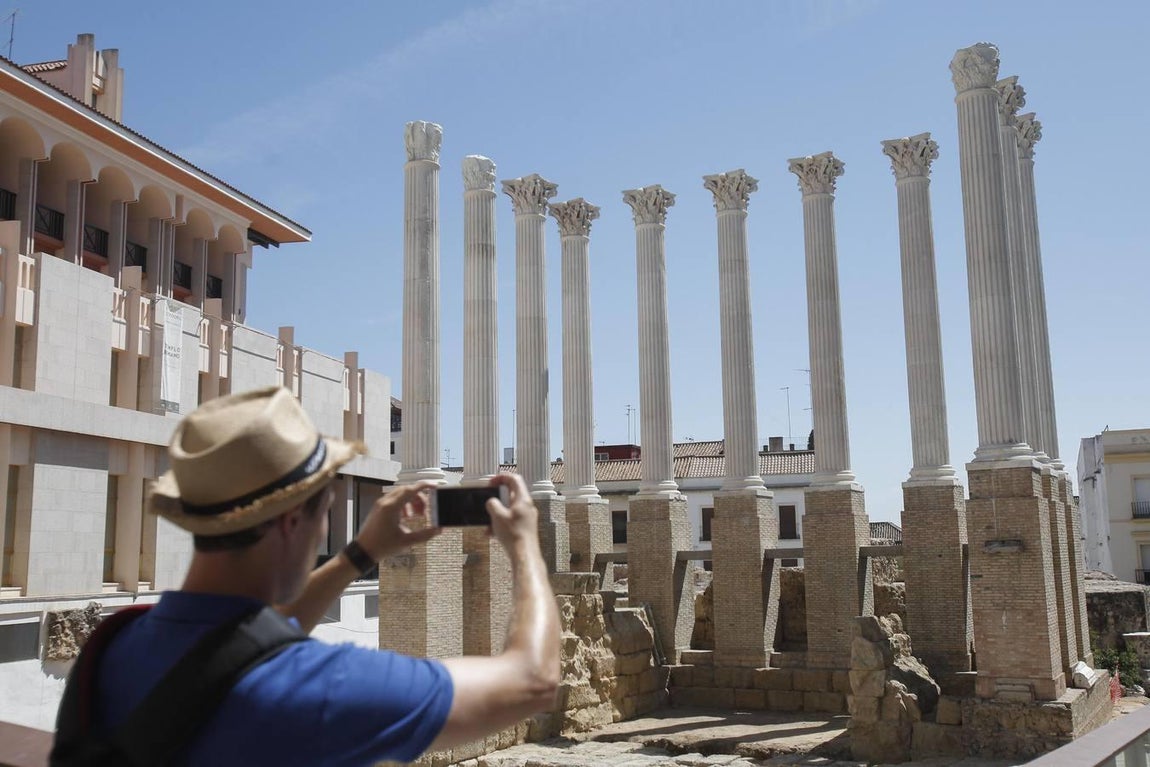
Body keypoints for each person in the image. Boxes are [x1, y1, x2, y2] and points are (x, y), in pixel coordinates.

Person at [62, 385, 560, 765]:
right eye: (327, 507)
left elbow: (249, 643)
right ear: (290, 520)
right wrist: (524, 546)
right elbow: (534, 679)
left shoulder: (110, 646)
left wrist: (361, 553)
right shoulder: (317, 687)